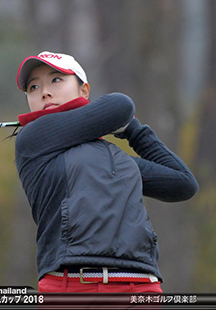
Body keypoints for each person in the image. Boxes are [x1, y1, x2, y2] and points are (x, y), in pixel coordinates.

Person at [14, 51, 199, 293]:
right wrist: (120, 119)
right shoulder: (32, 139)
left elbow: (183, 183)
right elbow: (120, 105)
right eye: (33, 87)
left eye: (56, 80)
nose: (44, 92)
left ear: (84, 90)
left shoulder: (118, 160)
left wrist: (134, 130)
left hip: (139, 285)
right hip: (71, 285)